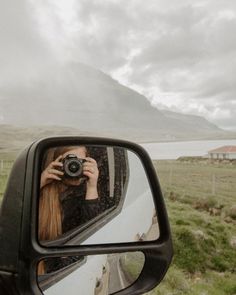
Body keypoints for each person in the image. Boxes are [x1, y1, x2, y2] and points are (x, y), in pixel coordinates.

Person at [38, 145, 101, 274]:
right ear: (55, 164)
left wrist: (92, 187)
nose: (73, 166)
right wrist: (40, 182)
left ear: (87, 164)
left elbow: (92, 234)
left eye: (79, 162)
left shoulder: (85, 195)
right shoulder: (43, 195)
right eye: (68, 162)